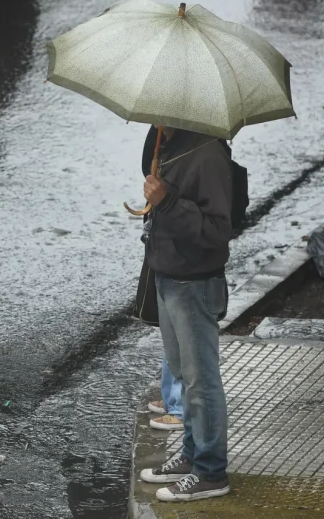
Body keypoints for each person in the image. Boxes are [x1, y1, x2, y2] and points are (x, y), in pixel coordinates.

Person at [138, 125, 232, 502]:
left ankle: (210, 472)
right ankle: (193, 456)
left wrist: (167, 201)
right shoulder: (168, 139)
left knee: (201, 381)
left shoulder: (208, 154)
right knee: (182, 373)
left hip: (193, 284)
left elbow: (217, 231)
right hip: (168, 276)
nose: (156, 117)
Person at [141, 126, 185, 433]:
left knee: (181, 333)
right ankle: (173, 398)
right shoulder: (169, 137)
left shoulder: (200, 151)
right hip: (166, 249)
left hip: (184, 260)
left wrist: (164, 199)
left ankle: (181, 406)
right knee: (170, 333)